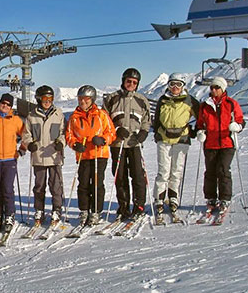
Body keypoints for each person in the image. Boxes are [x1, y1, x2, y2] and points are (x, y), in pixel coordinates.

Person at [102, 68, 152, 220]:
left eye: (134, 82)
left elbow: (146, 120)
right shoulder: (112, 98)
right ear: (123, 81)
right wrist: (116, 130)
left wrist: (144, 132)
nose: (131, 84)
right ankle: (123, 207)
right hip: (118, 144)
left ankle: (139, 206)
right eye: (128, 81)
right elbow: (104, 120)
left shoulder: (141, 100)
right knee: (120, 176)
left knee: (138, 176)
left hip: (134, 143)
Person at [66, 85, 117, 225]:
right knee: (83, 184)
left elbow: (111, 133)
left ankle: (95, 211)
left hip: (98, 154)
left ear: (92, 100)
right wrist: (75, 144)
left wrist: (103, 140)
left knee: (96, 184)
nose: (83, 102)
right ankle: (84, 210)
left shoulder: (101, 115)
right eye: (80, 99)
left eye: (86, 100)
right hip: (83, 155)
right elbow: (69, 135)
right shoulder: (74, 117)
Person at [195, 76, 245, 212]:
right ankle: (211, 198)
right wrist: (200, 132)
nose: (213, 89)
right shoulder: (205, 105)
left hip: (227, 143)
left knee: (223, 170)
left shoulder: (231, 103)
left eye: (216, 87)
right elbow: (200, 123)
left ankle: (225, 198)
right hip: (210, 144)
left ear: (222, 89)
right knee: (210, 172)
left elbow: (240, 120)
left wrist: (237, 126)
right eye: (212, 87)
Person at [152, 73, 199, 215]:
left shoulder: (189, 101)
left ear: (183, 86)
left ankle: (173, 197)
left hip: (181, 139)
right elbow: (157, 119)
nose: (175, 87)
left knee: (176, 170)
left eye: (178, 84)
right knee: (163, 171)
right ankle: (159, 198)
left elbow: (201, 117)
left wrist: (196, 131)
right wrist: (157, 133)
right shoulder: (163, 100)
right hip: (164, 139)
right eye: (172, 84)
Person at [21, 85, 66, 225]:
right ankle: (39, 210)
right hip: (39, 156)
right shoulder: (32, 116)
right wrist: (29, 144)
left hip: (54, 156)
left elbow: (64, 133)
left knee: (55, 185)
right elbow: (26, 134)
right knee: (39, 186)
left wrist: (61, 143)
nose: (47, 101)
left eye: (50, 98)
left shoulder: (58, 114)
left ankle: (56, 209)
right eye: (45, 98)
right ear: (39, 99)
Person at [0, 93, 25, 233]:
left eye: (8, 104)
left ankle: (9, 216)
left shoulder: (15, 120)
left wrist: (22, 149)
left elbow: (26, 135)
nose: (5, 106)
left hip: (10, 159)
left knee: (7, 189)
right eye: (3, 103)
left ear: (11, 107)